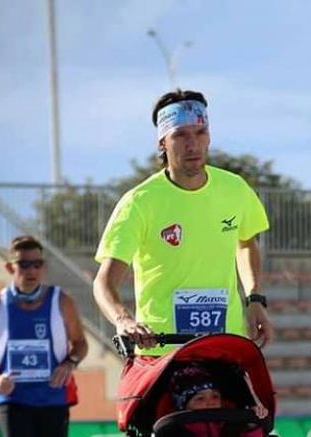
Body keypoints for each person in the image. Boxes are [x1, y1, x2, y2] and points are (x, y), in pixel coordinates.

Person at [93, 89, 272, 358]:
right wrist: (123, 320)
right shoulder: (139, 202)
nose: (193, 145)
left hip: (225, 344)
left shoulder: (235, 189)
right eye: (180, 135)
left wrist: (255, 298)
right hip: (162, 350)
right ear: (162, 143)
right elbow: (104, 283)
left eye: (200, 133)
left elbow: (246, 243)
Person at [0, 235, 88, 437]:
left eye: (37, 264)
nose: (32, 270)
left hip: (52, 398)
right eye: (24, 264)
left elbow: (81, 344)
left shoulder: (61, 300)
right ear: (9, 267)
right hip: (14, 399)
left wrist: (69, 363)